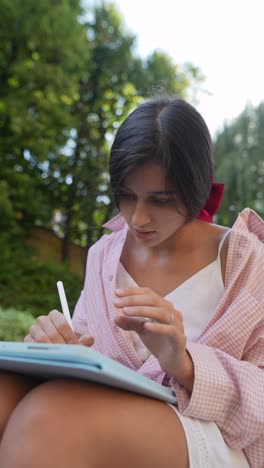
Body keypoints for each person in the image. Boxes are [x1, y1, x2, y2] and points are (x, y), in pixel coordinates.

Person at [0, 96, 263, 468]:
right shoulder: (103, 254)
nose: (138, 218)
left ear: (197, 186)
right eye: (126, 195)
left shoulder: (249, 262)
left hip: (211, 429)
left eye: (160, 199)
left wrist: (183, 362)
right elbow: (86, 346)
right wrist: (57, 346)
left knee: (50, 421)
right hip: (103, 405)